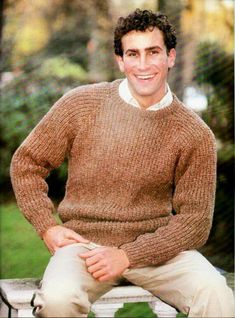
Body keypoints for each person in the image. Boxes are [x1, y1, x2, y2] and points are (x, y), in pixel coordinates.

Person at [10, 9, 234, 318]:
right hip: (83, 247)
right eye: (133, 54)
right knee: (57, 300)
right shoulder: (82, 104)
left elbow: (195, 223)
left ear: (170, 57)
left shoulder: (195, 134)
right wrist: (47, 227)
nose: (142, 65)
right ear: (121, 60)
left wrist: (127, 255)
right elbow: (27, 163)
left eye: (152, 52)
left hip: (158, 250)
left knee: (217, 296)